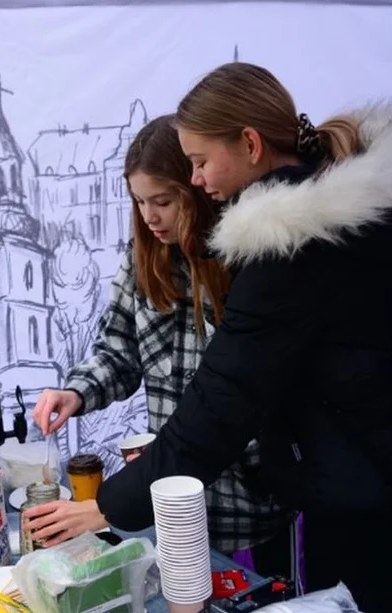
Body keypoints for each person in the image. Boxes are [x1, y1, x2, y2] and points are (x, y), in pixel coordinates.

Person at [96, 63, 392, 613]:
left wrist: (113, 506)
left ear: (251, 145)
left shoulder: (287, 247)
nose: (198, 178)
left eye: (201, 161)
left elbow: (223, 402)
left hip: (363, 485)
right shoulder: (352, 201)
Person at [27, 115, 291, 572]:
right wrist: (77, 392)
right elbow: (118, 352)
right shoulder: (142, 262)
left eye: (163, 201)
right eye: (139, 202)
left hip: (251, 502)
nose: (150, 217)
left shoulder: (245, 266)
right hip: (173, 496)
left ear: (197, 188)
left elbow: (239, 400)